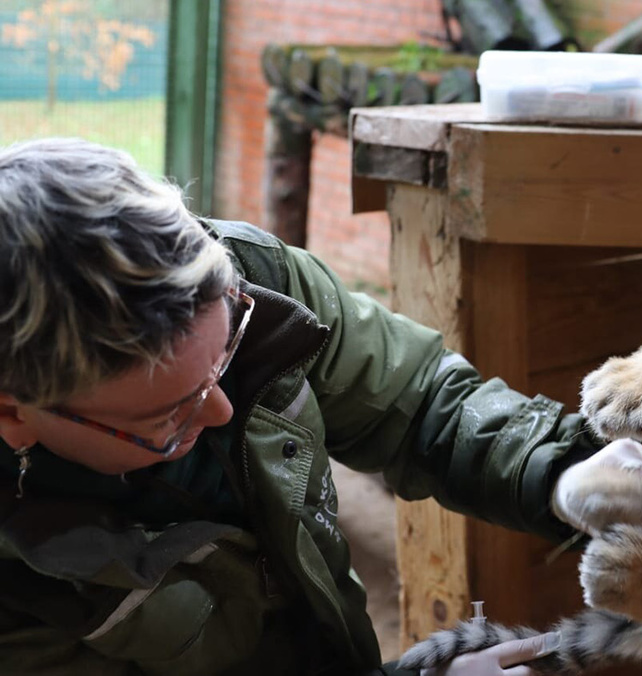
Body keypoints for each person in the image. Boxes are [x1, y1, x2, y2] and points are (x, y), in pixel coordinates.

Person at [0, 137, 601, 675]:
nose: (221, 411)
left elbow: (416, 401)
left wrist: (562, 470)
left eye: (226, 353)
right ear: (13, 413)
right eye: (165, 416)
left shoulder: (254, 285)